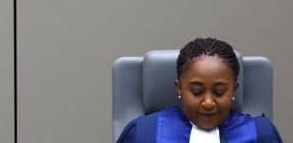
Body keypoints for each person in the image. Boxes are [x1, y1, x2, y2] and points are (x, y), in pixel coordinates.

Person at [117, 37, 283, 143]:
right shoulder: (144, 133)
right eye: (197, 92)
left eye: (219, 92)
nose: (208, 102)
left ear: (234, 90)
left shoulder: (261, 133)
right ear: (179, 88)